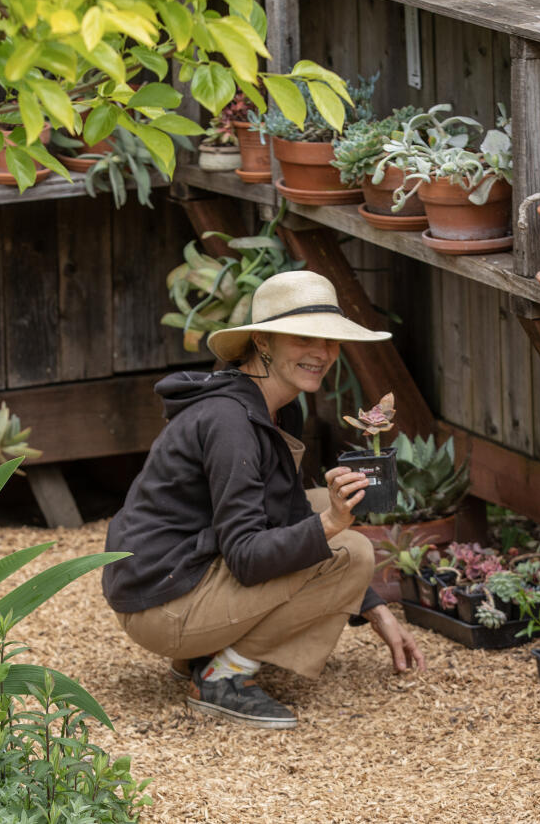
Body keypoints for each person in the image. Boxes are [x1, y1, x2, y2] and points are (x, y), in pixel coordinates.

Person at [102, 269, 426, 729]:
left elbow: (289, 510)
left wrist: (373, 606)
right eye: (302, 338)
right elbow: (246, 559)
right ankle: (222, 677)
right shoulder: (231, 422)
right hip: (161, 603)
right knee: (348, 546)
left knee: (318, 506)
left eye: (330, 340)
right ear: (264, 344)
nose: (321, 353)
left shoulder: (278, 405)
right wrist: (334, 527)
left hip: (178, 571)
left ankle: (203, 652)